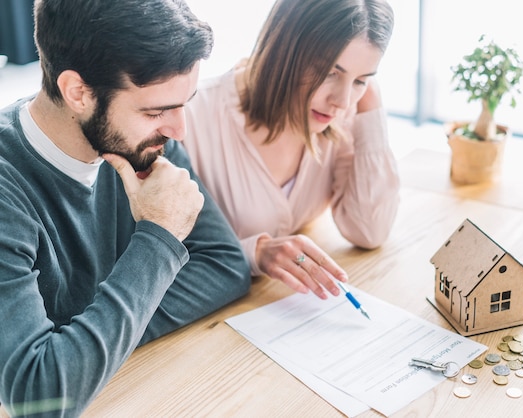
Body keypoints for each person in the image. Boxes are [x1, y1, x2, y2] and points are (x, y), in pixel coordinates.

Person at [0, 0, 251, 416]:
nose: (178, 130)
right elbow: (38, 396)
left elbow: (225, 266)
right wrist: (160, 236)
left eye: (182, 103)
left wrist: (85, 344)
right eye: (156, 111)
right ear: (78, 93)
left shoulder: (139, 140)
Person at [183, 0, 399, 301]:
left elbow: (369, 230)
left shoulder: (342, 115)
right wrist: (254, 253)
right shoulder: (191, 118)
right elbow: (156, 256)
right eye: (330, 72)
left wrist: (371, 108)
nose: (342, 100)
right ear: (283, 48)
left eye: (361, 80)